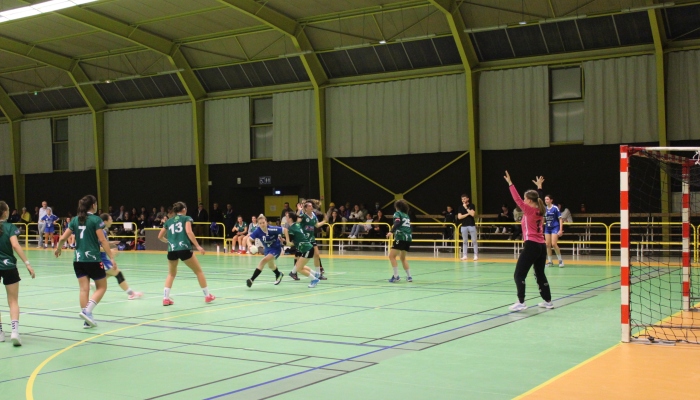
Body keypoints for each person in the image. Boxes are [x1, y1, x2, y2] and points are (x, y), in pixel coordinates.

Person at [55, 195, 113, 328]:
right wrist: (111, 257)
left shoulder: (75, 220)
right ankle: (87, 311)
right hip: (92, 259)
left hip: (78, 260)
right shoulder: (96, 220)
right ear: (93, 205)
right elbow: (103, 240)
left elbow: (63, 238)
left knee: (83, 289)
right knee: (102, 287)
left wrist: (58, 249)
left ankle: (87, 320)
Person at [503, 172, 553, 311]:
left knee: (519, 274)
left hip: (531, 245)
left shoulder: (529, 210)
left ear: (529, 201)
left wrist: (510, 183)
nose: (523, 201)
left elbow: (517, 199)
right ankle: (548, 301)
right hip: (541, 246)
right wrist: (540, 188)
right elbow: (539, 198)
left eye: (526, 199)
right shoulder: (539, 209)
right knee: (539, 273)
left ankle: (521, 301)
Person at [158, 202, 215, 306]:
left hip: (172, 250)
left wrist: (168, 241)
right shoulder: (186, 218)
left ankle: (165, 298)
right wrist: (198, 246)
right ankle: (207, 296)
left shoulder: (169, 221)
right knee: (198, 271)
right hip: (184, 249)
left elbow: (159, 236)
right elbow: (189, 232)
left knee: (171, 274)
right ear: (184, 209)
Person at [0, 201, 35, 346]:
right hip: (8, 266)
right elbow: (15, 245)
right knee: (13, 300)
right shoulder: (10, 227)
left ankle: (0, 333)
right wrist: (27, 263)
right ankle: (14, 332)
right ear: (5, 212)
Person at [98, 214, 143, 300]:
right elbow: (96, 247)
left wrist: (111, 243)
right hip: (101, 259)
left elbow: (102, 243)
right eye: (110, 219)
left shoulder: (102, 231)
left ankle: (95, 285)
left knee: (110, 273)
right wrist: (110, 251)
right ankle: (131, 294)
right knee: (118, 273)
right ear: (105, 221)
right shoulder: (101, 232)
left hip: (103, 258)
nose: (112, 221)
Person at [289, 200, 328, 281]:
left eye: (311, 206)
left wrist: (324, 221)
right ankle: (293, 272)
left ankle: (318, 274)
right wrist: (300, 210)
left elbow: (316, 225)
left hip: (311, 238)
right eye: (309, 206)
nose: (312, 207)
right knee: (299, 257)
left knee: (316, 255)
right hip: (304, 239)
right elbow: (297, 221)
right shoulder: (303, 215)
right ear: (306, 208)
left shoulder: (313, 215)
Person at [245, 215, 286, 288]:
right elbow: (249, 239)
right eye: (260, 223)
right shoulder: (258, 231)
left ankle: (251, 279)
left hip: (276, 249)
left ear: (266, 222)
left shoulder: (272, 229)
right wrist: (249, 245)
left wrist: (286, 241)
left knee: (263, 261)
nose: (262, 224)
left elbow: (285, 230)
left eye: (263, 222)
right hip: (267, 250)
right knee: (271, 266)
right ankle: (278, 274)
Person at [286, 212, 322, 288]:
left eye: (287, 216)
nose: (285, 218)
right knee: (300, 266)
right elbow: (292, 243)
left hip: (307, 249)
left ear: (290, 218)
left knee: (299, 268)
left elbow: (289, 244)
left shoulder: (292, 229)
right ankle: (315, 273)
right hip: (307, 248)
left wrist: (283, 238)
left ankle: (314, 279)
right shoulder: (297, 225)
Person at [388, 199, 413, 283]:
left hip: (401, 237)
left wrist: (391, 231)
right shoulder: (406, 215)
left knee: (391, 256)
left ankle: (396, 276)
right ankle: (409, 277)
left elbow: (397, 222)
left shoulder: (397, 213)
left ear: (397, 207)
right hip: (408, 237)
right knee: (403, 257)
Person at [544, 195, 564, 267]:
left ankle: (560, 260)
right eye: (545, 199)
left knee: (554, 244)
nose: (546, 201)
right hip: (547, 228)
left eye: (547, 199)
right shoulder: (544, 209)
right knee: (547, 244)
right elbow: (543, 219)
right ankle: (550, 261)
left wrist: (560, 230)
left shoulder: (555, 208)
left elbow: (560, 219)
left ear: (551, 200)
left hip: (555, 227)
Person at [457, 194, 478, 261]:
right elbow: (459, 217)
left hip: (471, 225)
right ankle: (465, 255)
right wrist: (468, 213)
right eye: (462, 199)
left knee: (474, 241)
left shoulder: (472, 205)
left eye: (464, 199)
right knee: (464, 241)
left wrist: (466, 208)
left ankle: (475, 255)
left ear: (468, 199)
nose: (463, 200)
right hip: (464, 226)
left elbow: (472, 214)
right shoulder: (460, 207)